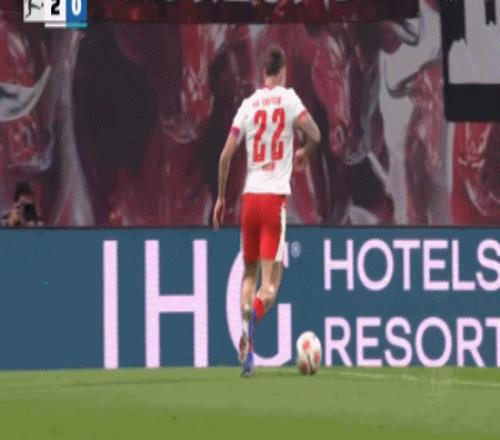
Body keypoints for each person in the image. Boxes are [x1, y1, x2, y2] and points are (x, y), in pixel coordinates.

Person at [213, 45, 321, 376]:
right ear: (283, 71)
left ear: (263, 72)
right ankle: (252, 321)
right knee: (271, 284)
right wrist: (305, 152)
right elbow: (315, 134)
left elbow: (225, 155)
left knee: (249, 273)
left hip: (249, 200)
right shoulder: (289, 100)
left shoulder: (248, 105)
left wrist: (221, 198)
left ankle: (246, 327)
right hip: (274, 200)